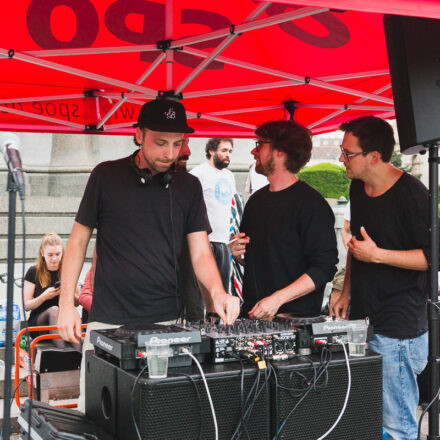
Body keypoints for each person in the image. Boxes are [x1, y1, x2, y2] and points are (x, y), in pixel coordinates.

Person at [57, 99, 240, 411]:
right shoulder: (105, 176)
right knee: (99, 415)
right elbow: (77, 243)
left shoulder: (189, 186)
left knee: (158, 416)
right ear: (138, 135)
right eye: (160, 143)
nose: (169, 153)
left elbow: (200, 253)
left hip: (165, 322)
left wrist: (219, 291)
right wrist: (65, 305)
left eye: (177, 144)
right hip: (106, 322)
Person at [332, 116, 429, 440]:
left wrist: (379, 255)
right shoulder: (358, 187)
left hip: (399, 328)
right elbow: (357, 245)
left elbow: (433, 258)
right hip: (364, 317)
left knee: (397, 427)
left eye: (348, 153)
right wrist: (346, 291)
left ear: (373, 157)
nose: (341, 158)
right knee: (367, 419)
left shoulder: (413, 196)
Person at [230, 120, 338, 319]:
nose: (254, 152)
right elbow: (266, 260)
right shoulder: (255, 201)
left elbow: (324, 267)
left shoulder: (312, 205)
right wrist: (240, 254)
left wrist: (278, 299)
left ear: (279, 151)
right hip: (253, 318)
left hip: (295, 322)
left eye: (260, 145)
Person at [190, 138, 236, 291]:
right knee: (201, 291)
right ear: (211, 151)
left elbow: (232, 207)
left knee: (222, 290)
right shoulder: (197, 174)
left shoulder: (230, 176)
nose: (228, 155)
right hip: (204, 242)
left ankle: (216, 316)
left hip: (224, 241)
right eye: (224, 151)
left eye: (230, 151)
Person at [24, 233, 79, 348]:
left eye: (58, 254)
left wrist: (67, 291)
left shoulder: (68, 270)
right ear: (42, 253)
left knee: (72, 313)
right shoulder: (34, 271)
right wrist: (43, 296)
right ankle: (63, 355)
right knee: (54, 310)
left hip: (64, 320)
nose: (54, 259)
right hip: (39, 322)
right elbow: (27, 305)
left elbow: (77, 303)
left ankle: (80, 358)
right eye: (50, 255)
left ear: (62, 253)